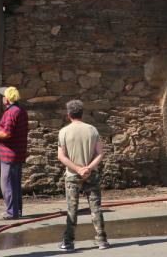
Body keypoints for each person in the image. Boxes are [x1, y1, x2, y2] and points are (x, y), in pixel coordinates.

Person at [57, 99, 109, 251]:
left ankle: (68, 242)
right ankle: (102, 240)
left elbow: (61, 156)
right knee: (96, 207)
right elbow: (100, 153)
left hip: (72, 175)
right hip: (91, 174)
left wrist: (78, 169)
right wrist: (88, 168)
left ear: (68, 115)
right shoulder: (92, 130)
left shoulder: (64, 132)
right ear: (82, 113)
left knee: (72, 208)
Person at [0, 85, 28, 220]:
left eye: (4, 96)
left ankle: (11, 212)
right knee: (15, 183)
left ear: (8, 99)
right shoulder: (21, 110)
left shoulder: (11, 113)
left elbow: (6, 133)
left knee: (7, 183)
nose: (2, 98)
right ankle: (17, 211)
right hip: (18, 153)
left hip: (9, 154)